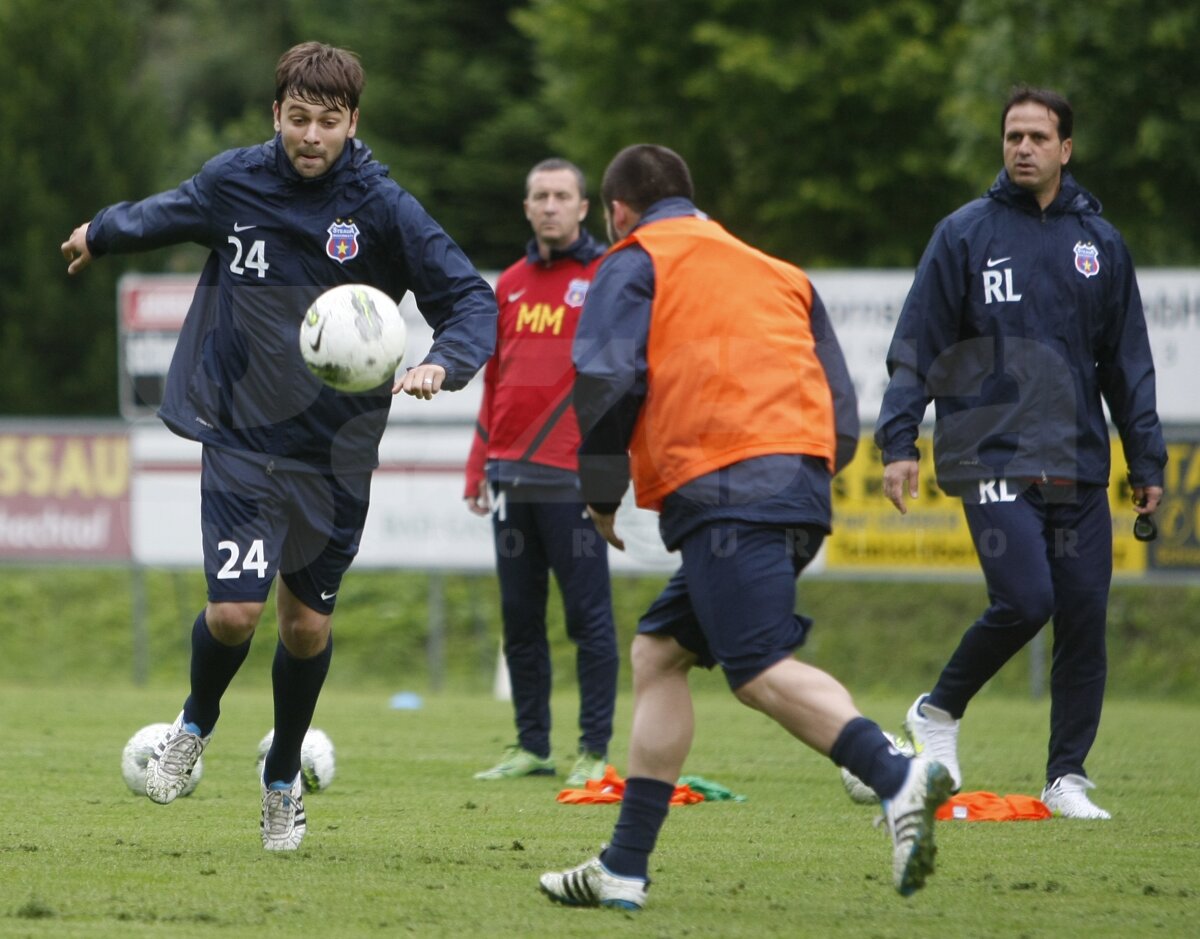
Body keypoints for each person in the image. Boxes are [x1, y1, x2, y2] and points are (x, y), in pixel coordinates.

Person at [61, 42, 496, 850]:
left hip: (334, 450)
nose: (310, 136)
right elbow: (169, 209)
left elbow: (469, 298)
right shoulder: (237, 180)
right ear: (276, 115)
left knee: (304, 628)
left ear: (353, 123)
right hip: (241, 434)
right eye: (298, 118)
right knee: (232, 611)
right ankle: (193, 726)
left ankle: (282, 774)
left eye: (328, 122)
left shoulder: (384, 208)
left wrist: (444, 359)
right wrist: (102, 232)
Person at [538, 144, 952, 911]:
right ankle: (623, 864)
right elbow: (839, 399)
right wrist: (799, 478)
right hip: (796, 479)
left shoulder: (634, 259)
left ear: (616, 212)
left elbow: (606, 376)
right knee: (658, 652)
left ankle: (897, 774)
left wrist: (600, 490)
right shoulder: (778, 270)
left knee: (758, 669)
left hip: (727, 486)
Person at [874, 86, 1166, 820]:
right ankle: (937, 711)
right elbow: (918, 345)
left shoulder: (1100, 243)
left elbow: (1127, 362)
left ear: (1066, 147)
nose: (1024, 148)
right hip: (990, 453)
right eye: (1013, 136)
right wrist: (899, 441)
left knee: (1083, 614)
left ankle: (1066, 774)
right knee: (1025, 599)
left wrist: (1147, 459)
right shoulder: (964, 234)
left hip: (1076, 459)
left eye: (1039, 136)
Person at [465, 159, 619, 787]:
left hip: (574, 480)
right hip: (510, 476)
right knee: (520, 618)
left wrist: (610, 469)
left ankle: (593, 750)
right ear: (526, 208)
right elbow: (494, 382)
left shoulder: (607, 276)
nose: (550, 205)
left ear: (584, 208)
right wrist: (479, 464)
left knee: (589, 620)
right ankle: (533, 746)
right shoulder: (511, 283)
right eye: (539, 196)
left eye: (562, 196)